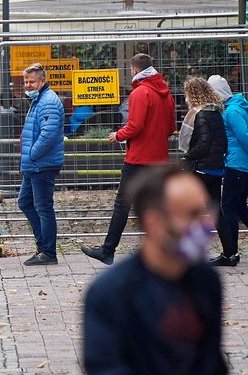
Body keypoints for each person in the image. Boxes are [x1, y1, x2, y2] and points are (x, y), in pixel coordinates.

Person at [82, 164, 248, 375]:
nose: (205, 224)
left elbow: (206, 360)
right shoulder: (111, 294)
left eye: (205, 210)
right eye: (191, 214)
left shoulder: (205, 282)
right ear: (156, 222)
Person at [84, 54, 177, 266]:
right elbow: (171, 127)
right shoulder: (166, 94)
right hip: (159, 157)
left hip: (138, 158)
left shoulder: (140, 93)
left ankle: (108, 250)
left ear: (134, 71)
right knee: (158, 205)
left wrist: (117, 135)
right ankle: (165, 249)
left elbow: (134, 126)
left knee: (122, 204)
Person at [17, 63, 66, 267]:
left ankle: (48, 251)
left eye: (32, 81)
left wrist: (31, 154)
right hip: (35, 164)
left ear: (42, 81)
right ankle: (43, 245)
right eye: (26, 81)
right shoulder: (39, 100)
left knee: (43, 207)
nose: (28, 85)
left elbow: (48, 134)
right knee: (25, 202)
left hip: (41, 164)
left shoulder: (48, 102)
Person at [180, 77, 229, 264]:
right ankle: (230, 252)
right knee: (216, 211)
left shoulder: (199, 115)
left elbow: (203, 144)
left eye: (187, 94)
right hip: (216, 168)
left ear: (192, 94)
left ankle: (190, 251)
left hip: (201, 170)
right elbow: (222, 142)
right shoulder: (216, 112)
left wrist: (188, 157)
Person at [219, 76, 248, 267]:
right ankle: (231, 252)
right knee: (238, 207)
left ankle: (231, 252)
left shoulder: (231, 111)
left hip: (237, 165)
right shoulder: (238, 107)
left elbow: (244, 136)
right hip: (240, 165)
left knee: (228, 207)